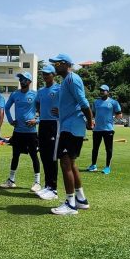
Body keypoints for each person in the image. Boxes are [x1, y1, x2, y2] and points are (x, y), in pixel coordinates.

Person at [49, 53, 94, 216]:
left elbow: (83, 102)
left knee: (65, 163)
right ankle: (81, 199)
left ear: (65, 64)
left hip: (72, 127)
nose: (54, 66)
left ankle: (70, 204)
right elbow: (73, 103)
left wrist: (90, 121)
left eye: (56, 64)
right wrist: (61, 111)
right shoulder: (66, 80)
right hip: (69, 125)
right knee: (71, 163)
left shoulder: (72, 79)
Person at [0, 72, 40, 191]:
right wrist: (11, 121)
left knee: (34, 156)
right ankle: (11, 181)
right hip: (18, 132)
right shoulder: (15, 94)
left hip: (31, 132)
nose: (22, 81)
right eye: (20, 79)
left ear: (29, 81)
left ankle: (37, 182)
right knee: (15, 156)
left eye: (24, 79)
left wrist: (36, 120)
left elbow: (42, 110)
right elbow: (6, 108)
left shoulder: (35, 95)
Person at [34, 64, 60, 200]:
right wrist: (40, 112)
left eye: (47, 74)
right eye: (43, 74)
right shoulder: (41, 91)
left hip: (54, 124)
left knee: (51, 157)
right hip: (43, 123)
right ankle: (47, 186)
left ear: (53, 75)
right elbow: (37, 103)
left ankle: (53, 189)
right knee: (44, 155)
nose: (45, 76)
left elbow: (69, 102)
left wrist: (61, 110)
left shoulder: (59, 89)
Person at [89, 84, 122, 175]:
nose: (101, 92)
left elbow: (119, 114)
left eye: (103, 90)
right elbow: (93, 114)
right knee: (95, 148)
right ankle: (93, 165)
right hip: (97, 129)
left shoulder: (113, 102)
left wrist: (112, 121)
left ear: (108, 92)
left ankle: (107, 167)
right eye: (100, 90)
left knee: (108, 149)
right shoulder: (96, 102)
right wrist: (91, 121)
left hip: (108, 130)